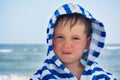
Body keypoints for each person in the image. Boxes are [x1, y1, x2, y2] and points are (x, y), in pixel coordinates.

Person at [30, 3, 116, 80]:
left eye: (75, 38)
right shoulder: (43, 75)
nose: (67, 45)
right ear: (51, 40)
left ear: (87, 43)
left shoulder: (102, 76)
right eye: (60, 37)